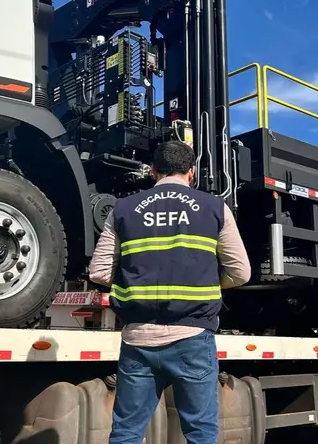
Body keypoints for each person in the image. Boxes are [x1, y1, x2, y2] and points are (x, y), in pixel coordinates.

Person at [88, 140, 251, 444]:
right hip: (192, 338)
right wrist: (204, 284)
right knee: (200, 434)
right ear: (192, 171)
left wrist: (135, 285)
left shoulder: (123, 209)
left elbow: (97, 272)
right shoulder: (215, 207)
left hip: (138, 340)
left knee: (126, 433)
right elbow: (241, 273)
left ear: (153, 171)